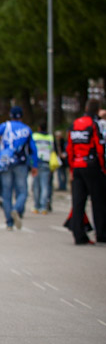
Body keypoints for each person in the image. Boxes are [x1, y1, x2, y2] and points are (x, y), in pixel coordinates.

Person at [0, 106, 38, 231]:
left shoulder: (6, 126)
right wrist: (34, 165)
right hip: (21, 163)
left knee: (6, 193)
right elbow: (33, 149)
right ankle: (17, 209)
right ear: (21, 116)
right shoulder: (26, 129)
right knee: (22, 191)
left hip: (6, 162)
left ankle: (9, 222)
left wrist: (0, 138)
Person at [66, 99, 106, 244]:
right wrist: (103, 168)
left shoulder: (75, 124)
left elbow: (69, 148)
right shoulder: (94, 124)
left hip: (77, 165)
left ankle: (79, 235)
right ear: (97, 109)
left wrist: (71, 168)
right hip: (92, 166)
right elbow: (100, 148)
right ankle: (101, 234)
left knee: (78, 202)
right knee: (98, 201)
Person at [31, 122, 54, 214]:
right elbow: (52, 149)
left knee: (36, 186)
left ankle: (36, 206)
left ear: (39, 128)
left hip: (36, 162)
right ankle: (44, 207)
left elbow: (31, 148)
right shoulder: (50, 137)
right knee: (45, 186)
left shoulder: (35, 136)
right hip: (46, 162)